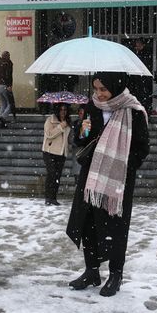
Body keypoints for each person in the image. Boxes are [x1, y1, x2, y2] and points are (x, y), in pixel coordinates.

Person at [66, 72, 149, 297]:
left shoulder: (133, 111)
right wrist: (81, 130)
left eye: (103, 89)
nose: (99, 94)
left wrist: (120, 163)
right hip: (90, 177)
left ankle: (116, 274)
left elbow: (142, 149)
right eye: (96, 89)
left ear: (116, 87)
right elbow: (81, 141)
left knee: (115, 228)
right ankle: (92, 271)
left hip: (117, 180)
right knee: (87, 223)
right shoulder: (91, 108)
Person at [42, 103, 71, 206]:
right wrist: (61, 126)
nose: (63, 112)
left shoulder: (68, 122)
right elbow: (49, 134)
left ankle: (53, 198)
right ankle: (48, 197)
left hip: (61, 153)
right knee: (52, 174)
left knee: (57, 176)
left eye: (65, 110)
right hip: (49, 152)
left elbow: (68, 138)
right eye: (61, 109)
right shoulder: (50, 120)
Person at [127, 37, 153, 113]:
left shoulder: (145, 55)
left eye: (138, 44)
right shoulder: (136, 54)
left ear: (143, 45)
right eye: (136, 44)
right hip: (136, 80)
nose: (136, 46)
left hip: (142, 80)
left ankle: (145, 111)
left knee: (143, 96)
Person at [0, 51, 13, 128]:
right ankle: (3, 117)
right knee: (10, 104)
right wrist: (9, 85)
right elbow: (8, 75)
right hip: (4, 85)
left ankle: (0, 122)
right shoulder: (8, 63)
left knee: (3, 104)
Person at [69, 106, 86, 185]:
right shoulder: (75, 123)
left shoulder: (88, 123)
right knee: (77, 173)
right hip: (77, 151)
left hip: (85, 150)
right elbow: (71, 136)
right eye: (80, 113)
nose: (81, 115)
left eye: (83, 113)